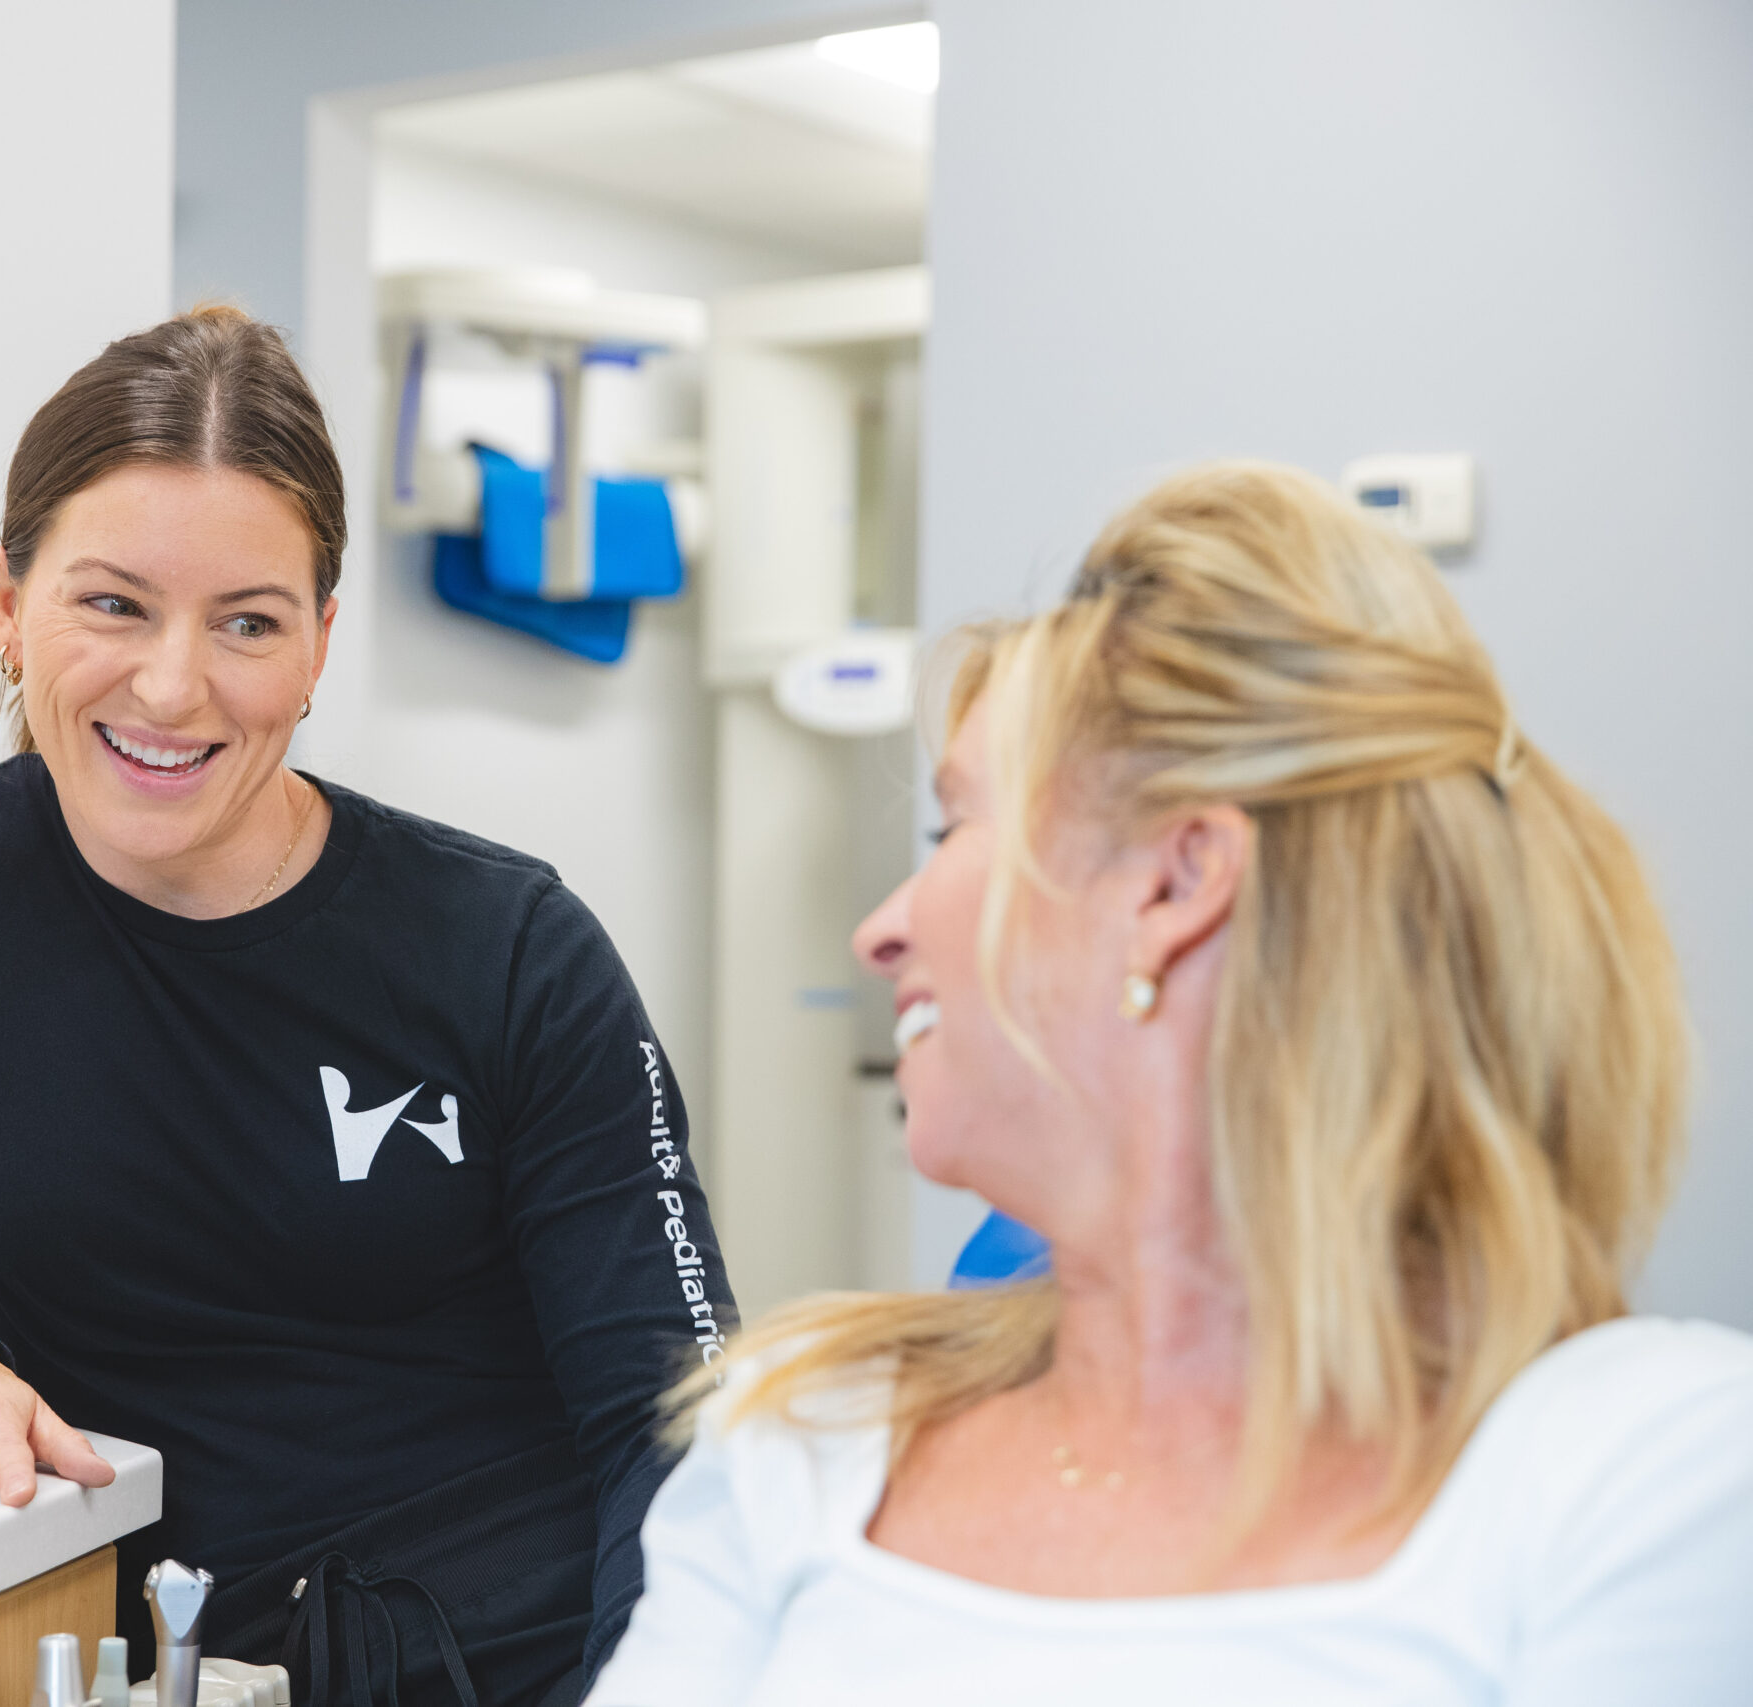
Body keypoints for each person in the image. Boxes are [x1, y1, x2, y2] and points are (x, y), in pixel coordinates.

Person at [587, 462, 1753, 1703]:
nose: (879, 929)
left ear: (1175, 885)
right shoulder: (803, 1429)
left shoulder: (1653, 1470)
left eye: (953, 830)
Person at [0, 306, 733, 1707]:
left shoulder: (510, 945)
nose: (173, 685)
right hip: (163, 1657)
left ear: (316, 645)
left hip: (519, 1659)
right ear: (9, 605)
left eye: (246, 622)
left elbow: (672, 1421)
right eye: (114, 602)